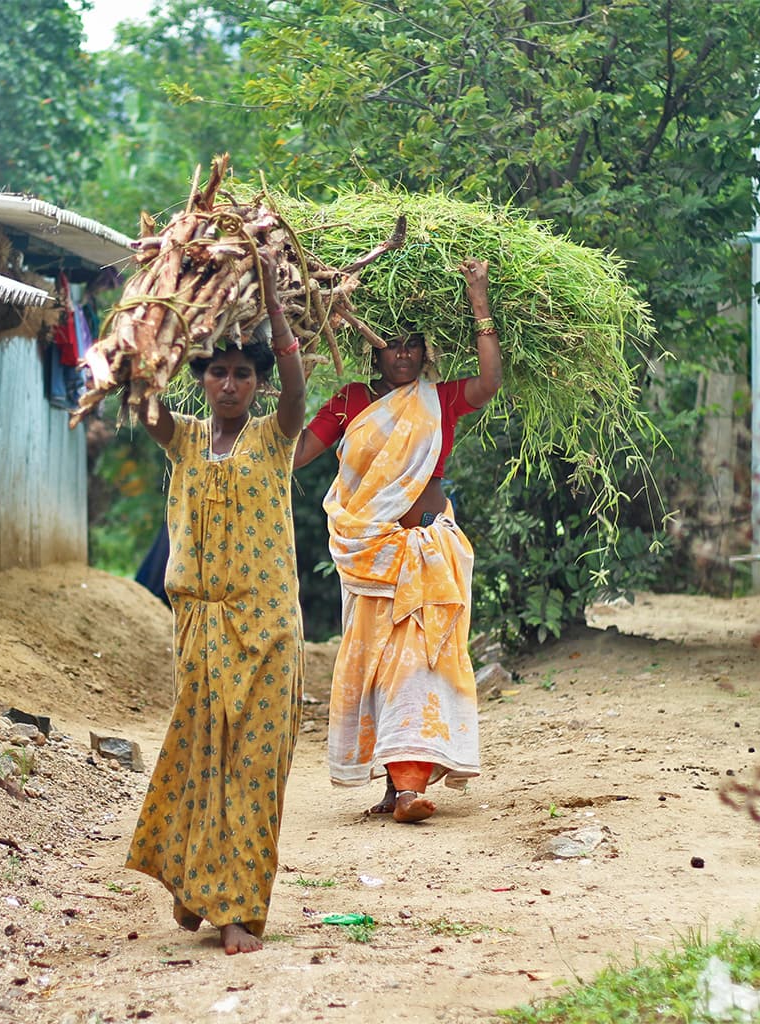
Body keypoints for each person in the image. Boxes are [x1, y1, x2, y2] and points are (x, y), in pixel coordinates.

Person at [124, 250, 307, 955]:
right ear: (200, 379)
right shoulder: (186, 442)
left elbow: (297, 389)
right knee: (203, 761)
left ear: (257, 385)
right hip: (199, 630)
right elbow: (144, 401)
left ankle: (239, 910)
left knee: (255, 771)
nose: (229, 384)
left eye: (242, 374)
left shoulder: (274, 437)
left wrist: (275, 304)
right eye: (218, 371)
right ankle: (203, 888)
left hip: (265, 631)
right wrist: (155, 318)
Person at [292, 258, 502, 823]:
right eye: (391, 346)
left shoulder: (439, 400)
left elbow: (489, 382)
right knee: (378, 665)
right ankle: (393, 783)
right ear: (373, 352)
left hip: (429, 550)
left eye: (412, 345)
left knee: (419, 662)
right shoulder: (349, 402)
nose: (403, 354)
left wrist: (478, 300)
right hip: (368, 551)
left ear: (425, 351)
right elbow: (296, 455)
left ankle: (410, 788)